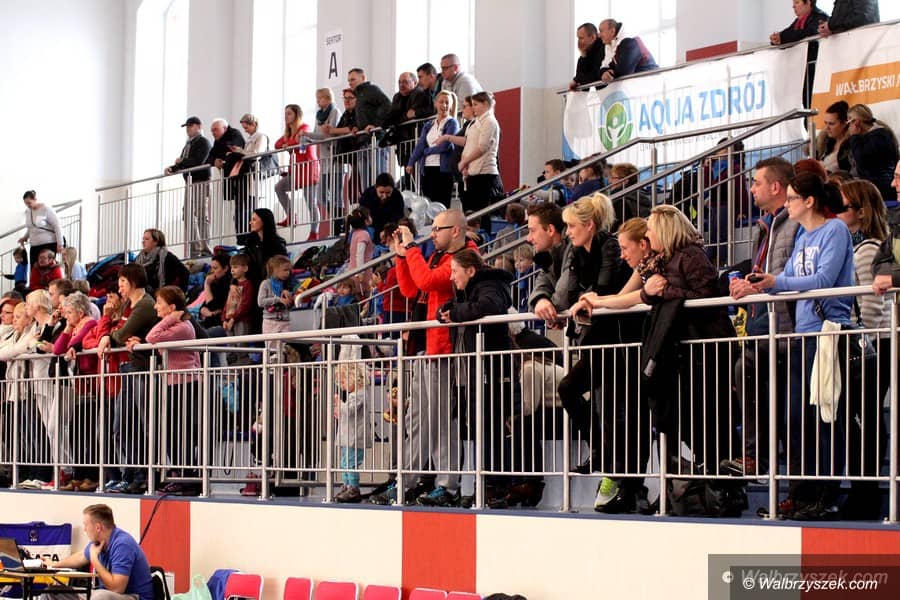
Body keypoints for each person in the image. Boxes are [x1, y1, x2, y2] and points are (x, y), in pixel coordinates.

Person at [749, 173, 854, 519]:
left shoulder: (834, 230)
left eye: (792, 198)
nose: (788, 204)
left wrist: (775, 282)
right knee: (796, 419)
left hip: (828, 332)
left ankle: (826, 492)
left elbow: (823, 279)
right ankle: (805, 491)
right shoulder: (803, 236)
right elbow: (788, 280)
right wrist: (760, 285)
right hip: (803, 335)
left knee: (823, 416)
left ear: (809, 201)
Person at [543, 194, 633, 510]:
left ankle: (617, 472)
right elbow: (571, 291)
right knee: (569, 389)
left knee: (613, 410)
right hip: (595, 339)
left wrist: (586, 299)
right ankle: (600, 451)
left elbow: (604, 288)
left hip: (617, 340)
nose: (567, 232)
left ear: (589, 225)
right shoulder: (576, 251)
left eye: (571, 226)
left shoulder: (610, 246)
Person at [392, 209, 477, 506]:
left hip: (445, 349)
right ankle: (405, 481)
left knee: (442, 420)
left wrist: (412, 247)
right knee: (417, 419)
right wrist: (401, 256)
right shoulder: (437, 256)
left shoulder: (465, 258)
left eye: (437, 229)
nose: (432, 234)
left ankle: (447, 485)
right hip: (426, 347)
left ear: (455, 230)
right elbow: (411, 289)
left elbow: (428, 281)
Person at [722, 157, 798, 477]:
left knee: (789, 409)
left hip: (788, 329)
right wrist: (746, 284)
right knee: (744, 369)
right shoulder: (763, 227)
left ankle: (775, 467)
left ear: (776, 186)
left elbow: (791, 273)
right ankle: (754, 457)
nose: (751, 189)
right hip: (761, 326)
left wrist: (756, 286)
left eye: (756, 183)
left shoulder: (795, 223)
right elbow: (763, 274)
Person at [438, 248, 514, 503]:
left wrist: (456, 313)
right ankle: (485, 485)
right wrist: (446, 312)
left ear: (470, 271)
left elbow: (488, 306)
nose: (451, 277)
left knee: (491, 427)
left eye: (454, 271)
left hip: (492, 369)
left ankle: (495, 486)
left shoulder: (491, 285)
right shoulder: (467, 290)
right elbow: (453, 308)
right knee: (481, 427)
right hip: (473, 370)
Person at [96, 264, 158, 495]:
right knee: (121, 426)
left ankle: (143, 475)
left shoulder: (145, 305)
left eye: (122, 281)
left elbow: (122, 334)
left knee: (141, 424)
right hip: (126, 368)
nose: (119, 286)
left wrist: (108, 337)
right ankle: (130, 474)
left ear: (133, 281)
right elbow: (117, 332)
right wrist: (107, 335)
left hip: (140, 368)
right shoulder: (127, 305)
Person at [144, 286, 201, 497]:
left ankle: (185, 477)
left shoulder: (182, 327)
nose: (155, 307)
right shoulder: (176, 326)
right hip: (174, 383)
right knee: (171, 431)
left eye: (159, 303)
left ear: (172, 307)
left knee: (179, 432)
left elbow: (152, 337)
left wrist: (169, 319)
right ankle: (179, 473)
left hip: (184, 383)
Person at [48, 504, 153, 600]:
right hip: (104, 594)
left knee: (100, 596)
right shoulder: (97, 542)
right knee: (52, 592)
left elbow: (117, 589)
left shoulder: (122, 544)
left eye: (86, 525)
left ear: (98, 527)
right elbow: (81, 556)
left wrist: (95, 560)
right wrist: (54, 565)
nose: (84, 529)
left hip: (133, 596)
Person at [52, 291, 99, 491]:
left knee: (89, 433)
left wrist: (71, 331)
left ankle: (91, 475)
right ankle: (78, 475)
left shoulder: (89, 323)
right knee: (75, 432)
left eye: (69, 312)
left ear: (80, 312)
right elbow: (58, 349)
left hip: (93, 386)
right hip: (80, 387)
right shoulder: (74, 326)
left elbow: (73, 344)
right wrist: (67, 327)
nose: (66, 316)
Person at [839, 179, 889, 328]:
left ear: (861, 212)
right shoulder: (857, 247)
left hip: (873, 338)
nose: (835, 212)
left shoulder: (869, 249)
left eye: (841, 207)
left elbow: (873, 304)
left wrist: (863, 337)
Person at [164, 117, 212, 257]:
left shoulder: (203, 142)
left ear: (198, 126)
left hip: (200, 181)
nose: (188, 129)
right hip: (190, 183)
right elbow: (182, 163)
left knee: (201, 214)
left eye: (191, 126)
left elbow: (198, 161)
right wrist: (172, 168)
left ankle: (205, 248)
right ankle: (194, 249)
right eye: (187, 126)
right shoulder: (188, 144)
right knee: (188, 215)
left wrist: (181, 161)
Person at [406, 90, 460, 207]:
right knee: (429, 204)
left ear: (451, 106)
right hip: (427, 168)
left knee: (442, 205)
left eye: (447, 102)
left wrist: (427, 151)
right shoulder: (428, 125)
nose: (444, 105)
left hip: (443, 170)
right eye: (441, 102)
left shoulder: (452, 123)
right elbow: (420, 145)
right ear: (435, 103)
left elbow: (445, 146)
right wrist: (411, 163)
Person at [459, 91, 503, 232]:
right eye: (472, 105)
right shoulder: (476, 122)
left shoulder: (490, 121)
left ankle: (483, 240)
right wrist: (465, 164)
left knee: (482, 214)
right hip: (473, 173)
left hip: (484, 174)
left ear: (485, 104)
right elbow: (469, 145)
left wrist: (465, 161)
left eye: (476, 104)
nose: (473, 108)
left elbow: (482, 147)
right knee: (471, 213)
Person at [274, 104, 320, 234]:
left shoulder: (304, 128)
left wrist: (288, 144)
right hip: (296, 171)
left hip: (308, 169)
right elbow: (277, 144)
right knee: (279, 187)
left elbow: (299, 141)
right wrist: (288, 142)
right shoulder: (289, 132)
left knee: (310, 202)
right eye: (285, 113)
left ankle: (314, 232)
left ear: (296, 115)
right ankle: (291, 216)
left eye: (289, 113)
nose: (286, 116)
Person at [227, 113, 270, 245]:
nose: (245, 130)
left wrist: (240, 151)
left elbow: (257, 154)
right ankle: (241, 238)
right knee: (240, 211)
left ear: (253, 124)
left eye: (246, 127)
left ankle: (249, 238)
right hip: (245, 179)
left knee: (248, 210)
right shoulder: (249, 139)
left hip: (253, 177)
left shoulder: (261, 137)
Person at [305, 88, 343, 234]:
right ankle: (335, 216)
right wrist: (309, 138)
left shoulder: (335, 112)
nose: (318, 101)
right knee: (321, 195)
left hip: (335, 158)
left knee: (336, 194)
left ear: (328, 98)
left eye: (320, 98)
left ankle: (338, 224)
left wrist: (310, 135)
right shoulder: (319, 115)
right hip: (325, 159)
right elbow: (318, 134)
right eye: (317, 98)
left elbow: (329, 134)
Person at [332, 363, 371, 503]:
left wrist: (339, 404)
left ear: (352, 378)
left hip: (354, 438)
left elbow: (349, 410)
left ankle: (353, 489)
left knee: (351, 463)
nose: (341, 386)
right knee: (345, 463)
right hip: (348, 437)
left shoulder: (359, 395)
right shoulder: (354, 395)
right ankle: (346, 486)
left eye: (343, 382)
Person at [383, 71, 435, 174]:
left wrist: (413, 114)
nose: (401, 85)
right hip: (403, 143)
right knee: (408, 174)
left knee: (419, 173)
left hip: (417, 139)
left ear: (415, 83)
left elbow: (429, 111)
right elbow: (391, 117)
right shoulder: (397, 97)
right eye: (399, 82)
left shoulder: (420, 94)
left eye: (405, 82)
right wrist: (405, 116)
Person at [846, 103, 899, 202]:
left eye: (849, 123)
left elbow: (861, 159)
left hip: (882, 192)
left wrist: (854, 136)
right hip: (876, 189)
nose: (848, 127)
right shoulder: (871, 136)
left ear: (856, 122)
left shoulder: (878, 137)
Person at [526, 202, 568, 324]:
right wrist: (540, 300)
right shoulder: (548, 255)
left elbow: (563, 298)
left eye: (532, 231)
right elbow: (540, 286)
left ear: (550, 230)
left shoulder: (575, 249)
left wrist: (550, 311)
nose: (528, 238)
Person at [324, 88, 362, 206]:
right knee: (350, 189)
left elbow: (350, 129)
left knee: (356, 187)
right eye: (345, 98)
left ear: (357, 100)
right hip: (346, 154)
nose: (347, 101)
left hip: (357, 153)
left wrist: (333, 130)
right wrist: (335, 130)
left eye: (350, 98)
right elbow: (341, 130)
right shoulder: (346, 114)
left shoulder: (359, 112)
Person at [872, 160, 900, 295]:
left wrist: (894, 279)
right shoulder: (897, 223)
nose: (893, 184)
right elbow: (879, 263)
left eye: (898, 178)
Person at [133, 229, 190, 294]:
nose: (143, 241)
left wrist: (178, 293)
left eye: (147, 239)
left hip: (161, 293)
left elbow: (185, 273)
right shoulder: (139, 257)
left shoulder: (166, 256)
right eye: (143, 239)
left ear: (156, 242)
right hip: (143, 292)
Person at [242, 208, 288, 285]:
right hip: (253, 284)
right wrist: (233, 283)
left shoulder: (278, 244)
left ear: (264, 221)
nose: (250, 222)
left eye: (254, 220)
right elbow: (242, 263)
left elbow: (285, 268)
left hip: (271, 285)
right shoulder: (249, 243)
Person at [18, 190, 63, 266]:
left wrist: (60, 244)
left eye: (29, 203)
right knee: (34, 268)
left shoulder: (46, 209)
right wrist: (25, 237)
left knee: (47, 269)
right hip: (34, 245)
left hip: (48, 244)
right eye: (26, 203)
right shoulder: (28, 211)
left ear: (35, 199)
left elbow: (57, 226)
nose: (28, 205)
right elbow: (31, 227)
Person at [357, 173, 406, 242]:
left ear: (392, 189)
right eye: (381, 192)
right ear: (375, 188)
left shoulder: (397, 196)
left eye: (388, 192)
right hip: (371, 230)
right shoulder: (367, 196)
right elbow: (363, 217)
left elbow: (399, 218)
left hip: (390, 232)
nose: (384, 196)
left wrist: (388, 231)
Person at [257, 255, 294, 335]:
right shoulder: (265, 284)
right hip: (270, 321)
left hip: (285, 321)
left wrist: (290, 296)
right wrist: (278, 299)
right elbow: (260, 302)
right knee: (271, 343)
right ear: (275, 269)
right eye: (285, 270)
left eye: (289, 270)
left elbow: (292, 303)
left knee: (285, 343)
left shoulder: (288, 284)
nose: (287, 273)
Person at [223, 254, 256, 340]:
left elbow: (246, 305)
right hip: (229, 319)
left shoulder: (248, 285)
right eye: (231, 267)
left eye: (235, 267)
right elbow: (227, 303)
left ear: (245, 268)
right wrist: (224, 319)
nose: (232, 270)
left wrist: (233, 319)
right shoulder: (233, 286)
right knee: (230, 345)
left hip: (242, 320)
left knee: (241, 344)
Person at [815, 100, 852, 173]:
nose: (827, 128)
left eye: (831, 124)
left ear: (844, 124)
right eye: (825, 123)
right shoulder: (826, 142)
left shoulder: (852, 144)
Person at [199, 254, 232, 329]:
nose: (212, 271)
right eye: (211, 268)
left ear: (225, 268)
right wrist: (210, 313)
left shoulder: (228, 285)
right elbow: (202, 308)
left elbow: (212, 306)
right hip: (209, 324)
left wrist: (207, 284)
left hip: (220, 325)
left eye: (215, 268)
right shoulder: (215, 283)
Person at [570, 22, 606, 90]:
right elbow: (580, 75)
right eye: (578, 38)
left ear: (593, 37)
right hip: (603, 92)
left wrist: (577, 80)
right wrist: (583, 55)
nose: (578, 42)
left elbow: (596, 74)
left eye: (581, 38)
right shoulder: (587, 50)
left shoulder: (603, 47)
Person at [347, 208, 374, 293]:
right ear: (365, 220)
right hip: (361, 272)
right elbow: (359, 254)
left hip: (353, 270)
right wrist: (360, 272)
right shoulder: (363, 234)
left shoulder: (355, 233)